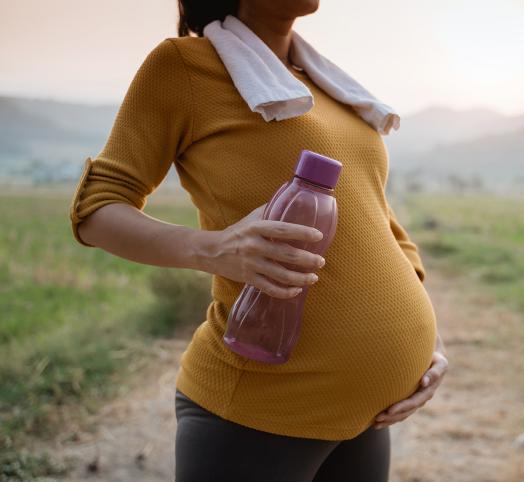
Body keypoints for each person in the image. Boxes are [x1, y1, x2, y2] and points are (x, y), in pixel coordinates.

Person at [69, 1, 449, 480]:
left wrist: (424, 336)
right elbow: (98, 209)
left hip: (367, 418)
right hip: (259, 413)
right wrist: (213, 249)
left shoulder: (319, 83)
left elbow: (376, 215)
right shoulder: (184, 66)